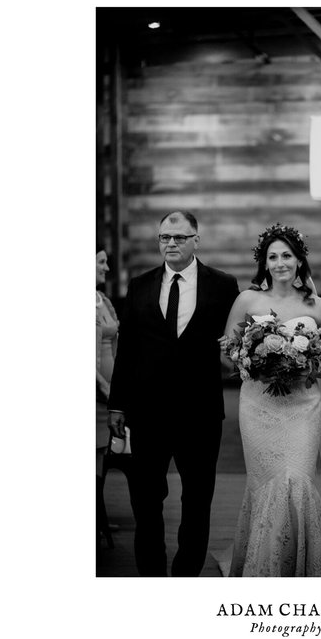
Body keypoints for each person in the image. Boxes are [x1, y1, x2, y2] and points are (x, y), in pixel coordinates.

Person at [107, 211, 239, 576]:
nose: (171, 244)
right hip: (146, 412)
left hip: (200, 413)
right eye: (165, 237)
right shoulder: (140, 285)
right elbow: (128, 350)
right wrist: (117, 405)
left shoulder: (223, 285)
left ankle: (185, 576)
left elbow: (236, 341)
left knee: (197, 501)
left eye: (179, 237)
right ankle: (152, 577)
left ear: (197, 240)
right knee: (146, 502)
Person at [222, 223, 321, 576]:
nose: (280, 263)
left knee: (295, 480)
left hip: (302, 407)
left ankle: (302, 564)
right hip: (258, 406)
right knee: (266, 482)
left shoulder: (319, 306)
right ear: (264, 264)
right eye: (273, 257)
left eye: (287, 256)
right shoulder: (247, 300)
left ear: (299, 262)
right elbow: (226, 354)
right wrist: (254, 361)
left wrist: (305, 363)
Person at [96, 245, 119, 452]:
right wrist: (104, 387)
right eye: (101, 262)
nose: (107, 268)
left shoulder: (103, 301)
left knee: (102, 454)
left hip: (109, 398)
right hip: (97, 393)